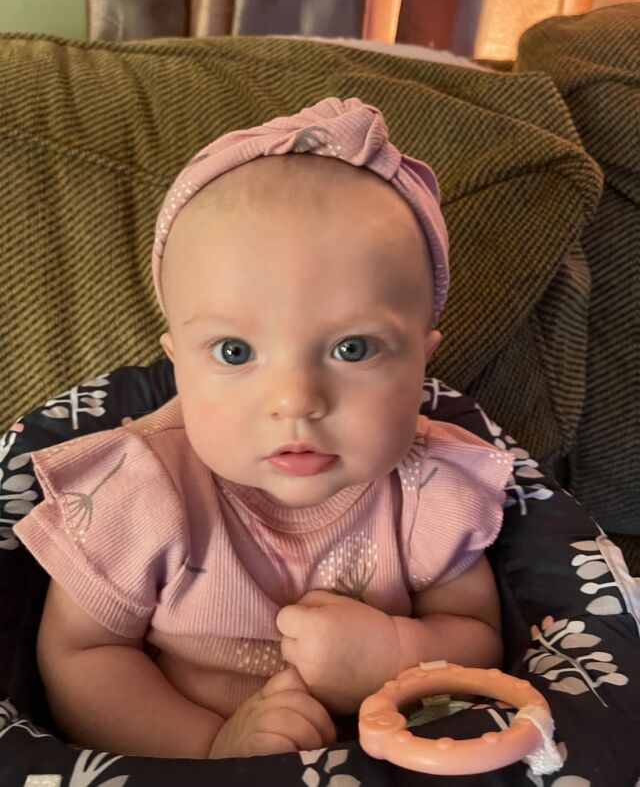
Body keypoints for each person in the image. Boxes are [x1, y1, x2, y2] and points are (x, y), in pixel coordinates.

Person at [14, 97, 514, 761]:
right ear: (179, 365)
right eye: (234, 351)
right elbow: (82, 655)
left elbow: (478, 634)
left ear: (422, 360)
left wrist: (400, 652)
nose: (295, 400)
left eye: (353, 349)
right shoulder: (137, 491)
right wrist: (213, 748)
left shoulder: (430, 487)